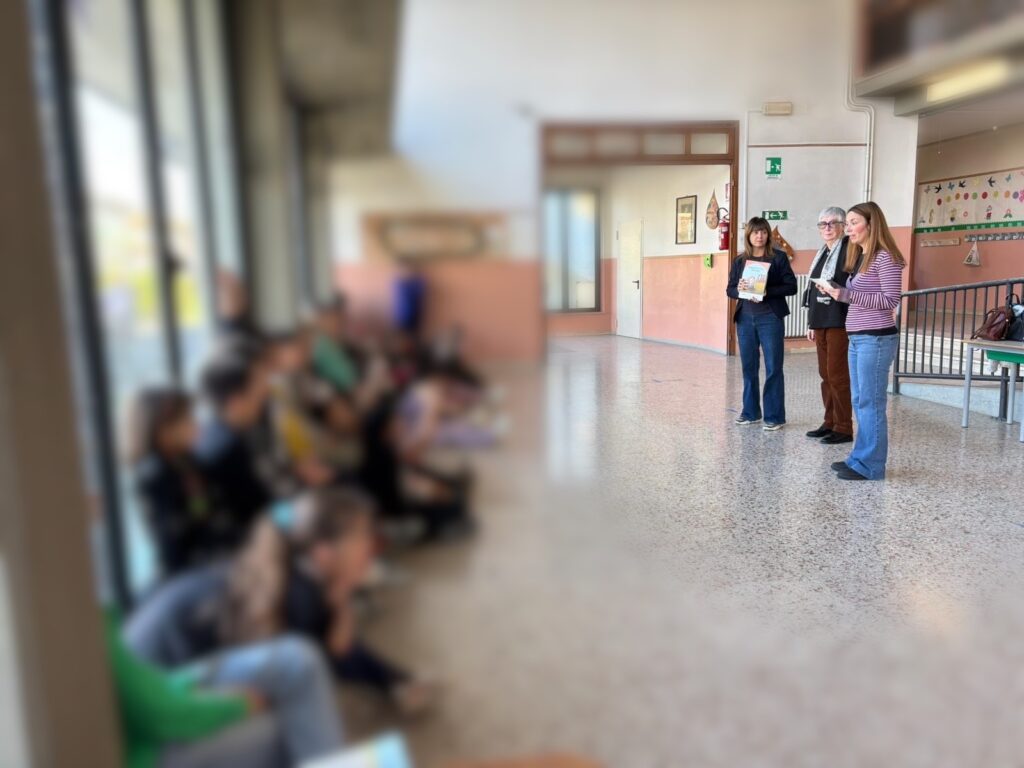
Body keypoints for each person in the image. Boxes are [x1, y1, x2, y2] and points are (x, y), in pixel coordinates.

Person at [219, 487, 439, 715]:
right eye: (362, 536)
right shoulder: (301, 602)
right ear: (324, 552)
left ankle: (399, 681)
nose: (372, 545)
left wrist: (343, 599)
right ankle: (399, 683)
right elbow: (336, 655)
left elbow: (341, 646)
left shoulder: (310, 573)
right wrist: (342, 605)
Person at [106, 607, 344, 768]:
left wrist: (185, 687)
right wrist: (237, 706)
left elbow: (140, 690)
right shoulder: (87, 625)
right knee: (289, 721)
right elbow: (157, 713)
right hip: (146, 750)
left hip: (167, 686)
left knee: (300, 662)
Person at [816, 202, 905, 481]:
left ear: (871, 224)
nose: (848, 229)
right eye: (848, 223)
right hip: (857, 337)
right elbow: (859, 295)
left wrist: (846, 295)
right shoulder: (862, 256)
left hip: (875, 339)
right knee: (859, 400)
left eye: (853, 223)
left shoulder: (886, 257)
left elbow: (890, 300)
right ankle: (858, 458)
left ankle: (871, 466)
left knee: (870, 403)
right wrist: (835, 291)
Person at [128, 389, 235, 575]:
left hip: (212, 559)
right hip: (186, 571)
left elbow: (203, 514)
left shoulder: (188, 463)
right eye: (188, 419)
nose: (196, 425)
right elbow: (175, 546)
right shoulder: (155, 476)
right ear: (163, 429)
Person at [726, 216, 798, 430]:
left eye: (764, 232)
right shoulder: (740, 261)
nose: (760, 236)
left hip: (770, 318)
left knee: (773, 367)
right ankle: (750, 412)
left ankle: (774, 416)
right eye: (756, 232)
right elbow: (730, 289)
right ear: (748, 235)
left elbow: (791, 286)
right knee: (749, 367)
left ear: (768, 235)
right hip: (745, 319)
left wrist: (767, 291)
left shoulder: (778, 257)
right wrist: (741, 289)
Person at [802, 207, 854, 445]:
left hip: (839, 320)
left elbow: (850, 286)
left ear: (843, 226)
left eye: (833, 223)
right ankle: (829, 421)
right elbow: (813, 290)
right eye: (823, 224)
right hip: (820, 320)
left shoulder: (849, 250)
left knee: (838, 375)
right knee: (825, 375)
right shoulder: (823, 252)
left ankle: (844, 427)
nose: (827, 228)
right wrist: (811, 323)